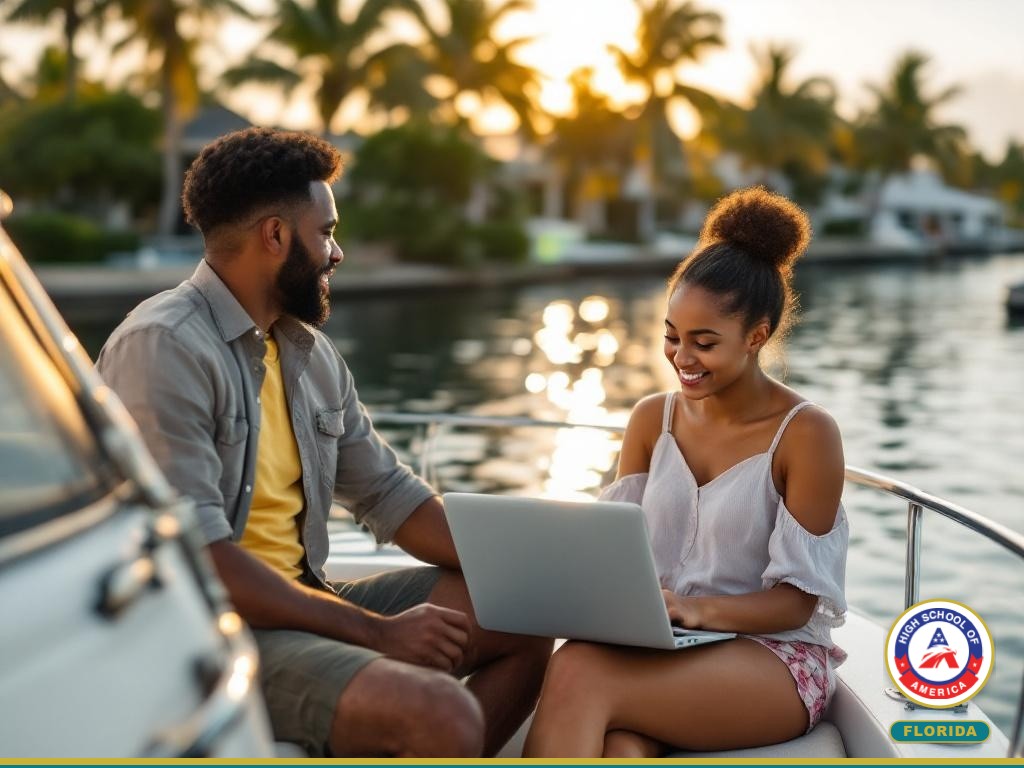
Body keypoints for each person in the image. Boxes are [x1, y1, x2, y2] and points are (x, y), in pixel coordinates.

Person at [96, 127, 551, 758]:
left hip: (304, 605)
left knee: (524, 616)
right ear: (276, 236)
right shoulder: (163, 347)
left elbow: (392, 496)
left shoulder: (307, 352)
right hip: (209, 635)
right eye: (327, 232)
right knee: (439, 712)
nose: (337, 253)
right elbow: (200, 561)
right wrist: (379, 634)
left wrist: (543, 575)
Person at [522, 187, 849, 757]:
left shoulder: (807, 434)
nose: (681, 357)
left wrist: (688, 607)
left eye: (704, 343)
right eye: (671, 336)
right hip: (670, 644)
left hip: (775, 659)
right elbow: (617, 551)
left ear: (757, 336)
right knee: (622, 744)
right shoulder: (652, 419)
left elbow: (796, 604)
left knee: (578, 671)